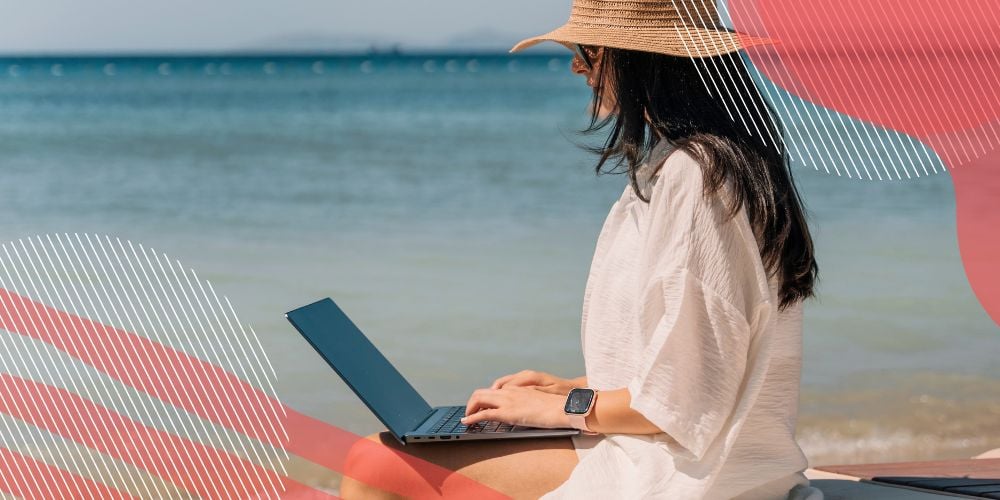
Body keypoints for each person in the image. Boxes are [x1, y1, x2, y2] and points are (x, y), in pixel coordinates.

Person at [341, 0, 825, 498]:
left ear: (640, 58)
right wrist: (572, 386)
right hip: (693, 456)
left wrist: (564, 408)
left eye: (589, 50)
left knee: (373, 462)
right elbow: (696, 362)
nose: (577, 65)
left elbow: (684, 399)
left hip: (690, 474)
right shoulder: (699, 164)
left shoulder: (695, 176)